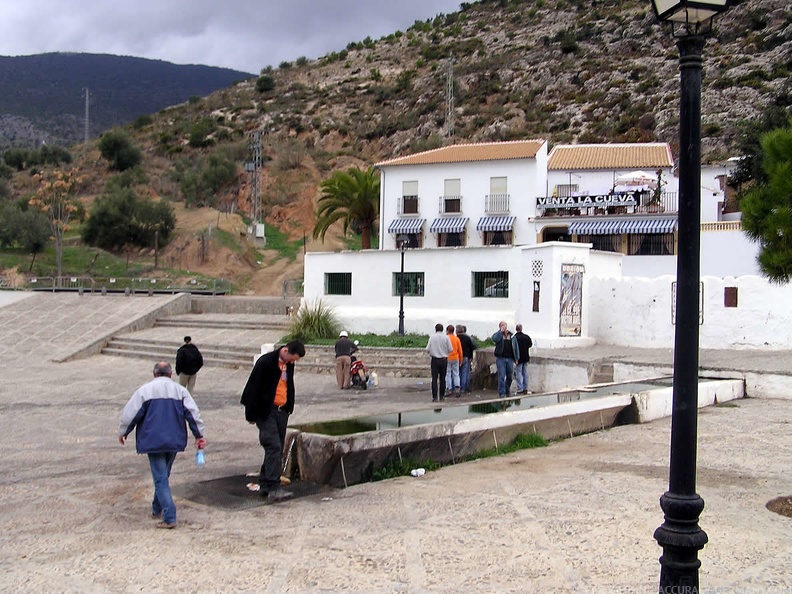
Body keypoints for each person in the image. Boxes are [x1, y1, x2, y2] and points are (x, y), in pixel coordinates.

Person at [118, 361, 206, 529]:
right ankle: (156, 507)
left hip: (153, 440)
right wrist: (199, 435)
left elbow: (131, 414)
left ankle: (169, 515)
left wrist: (124, 431)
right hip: (174, 439)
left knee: (160, 478)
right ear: (171, 374)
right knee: (163, 476)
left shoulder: (145, 391)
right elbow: (193, 414)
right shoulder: (181, 391)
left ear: (154, 374)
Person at [240, 340, 306, 503]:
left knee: (276, 448)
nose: (292, 362)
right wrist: (251, 414)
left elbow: (288, 384)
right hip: (266, 411)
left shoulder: (288, 364)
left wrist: (289, 407)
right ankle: (274, 486)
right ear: (285, 351)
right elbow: (252, 388)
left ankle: (265, 483)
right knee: (273, 446)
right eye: (292, 358)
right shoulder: (266, 362)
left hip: (281, 411)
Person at [491, 321, 520, 398]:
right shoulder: (499, 335)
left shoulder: (512, 337)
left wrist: (516, 358)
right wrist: (500, 332)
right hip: (501, 359)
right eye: (503, 326)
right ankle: (502, 393)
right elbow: (494, 339)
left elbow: (516, 348)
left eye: (505, 326)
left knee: (510, 376)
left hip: (510, 359)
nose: (505, 328)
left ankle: (507, 390)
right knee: (501, 376)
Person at [425, 323, 451, 402]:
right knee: (443, 379)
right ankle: (442, 396)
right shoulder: (446, 338)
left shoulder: (432, 337)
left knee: (434, 379)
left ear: (435, 329)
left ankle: (435, 397)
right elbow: (450, 349)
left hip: (435, 360)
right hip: (443, 360)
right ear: (442, 329)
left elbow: (427, 349)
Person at [456, 325, 478, 394]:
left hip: (458, 357)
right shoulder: (468, 338)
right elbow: (473, 347)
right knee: (465, 373)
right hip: (466, 357)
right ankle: (464, 388)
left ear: (456, 331)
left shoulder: (456, 338)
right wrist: (470, 356)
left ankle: (457, 388)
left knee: (457, 373)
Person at [514, 324, 533, 395]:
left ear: (516, 329)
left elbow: (514, 348)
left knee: (518, 373)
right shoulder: (526, 337)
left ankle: (520, 388)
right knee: (525, 372)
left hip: (518, 358)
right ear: (521, 329)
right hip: (526, 357)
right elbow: (530, 344)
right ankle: (525, 388)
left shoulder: (515, 338)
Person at [445, 324, 463, 397]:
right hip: (456, 358)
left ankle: (449, 389)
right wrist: (461, 360)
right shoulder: (457, 339)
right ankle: (457, 388)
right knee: (456, 374)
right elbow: (460, 350)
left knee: (448, 374)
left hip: (447, 358)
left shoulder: (446, 338)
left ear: (447, 331)